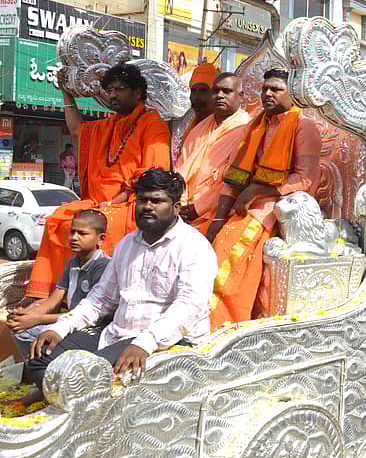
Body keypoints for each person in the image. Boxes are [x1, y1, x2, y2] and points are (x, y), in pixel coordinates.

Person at [25, 169, 217, 400]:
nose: (147, 207)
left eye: (157, 201)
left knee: (84, 377)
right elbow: (101, 298)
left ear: (176, 207)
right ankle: (67, 402)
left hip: (167, 340)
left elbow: (189, 306)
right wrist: (61, 327)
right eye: (143, 200)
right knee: (39, 358)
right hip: (117, 332)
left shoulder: (194, 246)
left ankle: (73, 407)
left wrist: (145, 343)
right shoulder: (127, 244)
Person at [25, 63, 170, 299]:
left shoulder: (152, 123)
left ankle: (97, 297)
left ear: (138, 93)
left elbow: (154, 174)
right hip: (97, 202)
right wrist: (66, 93)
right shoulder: (109, 124)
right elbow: (76, 129)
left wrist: (115, 201)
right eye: (110, 90)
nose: (113, 95)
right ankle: (51, 294)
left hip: (132, 203)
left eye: (120, 89)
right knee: (58, 219)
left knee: (95, 227)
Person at [206, 69, 322, 327]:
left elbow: (305, 179)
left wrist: (257, 190)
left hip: (277, 205)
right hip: (243, 202)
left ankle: (221, 323)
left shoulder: (304, 126)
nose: (268, 94)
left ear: (293, 93)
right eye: (264, 88)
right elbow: (235, 176)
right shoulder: (257, 124)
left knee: (230, 249)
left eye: (276, 89)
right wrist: (217, 218)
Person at [6, 210, 109, 361]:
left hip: (90, 326)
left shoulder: (103, 267)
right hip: (69, 318)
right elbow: (53, 301)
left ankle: (45, 368)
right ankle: (34, 367)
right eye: (72, 232)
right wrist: (25, 315)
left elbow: (91, 316)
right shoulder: (73, 262)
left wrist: (38, 319)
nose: (74, 237)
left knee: (39, 340)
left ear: (101, 238)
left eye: (82, 233)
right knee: (20, 329)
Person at [175, 73, 251, 235]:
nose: (219, 95)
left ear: (241, 96)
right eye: (215, 91)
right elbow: (181, 169)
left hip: (220, 210)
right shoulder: (198, 129)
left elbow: (233, 181)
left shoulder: (247, 130)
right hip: (182, 207)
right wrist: (180, 202)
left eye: (227, 91)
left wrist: (198, 208)